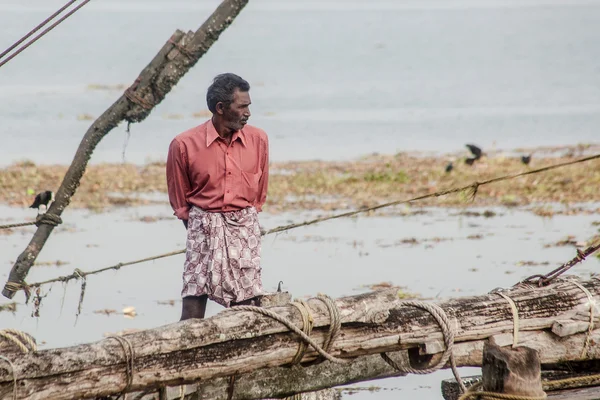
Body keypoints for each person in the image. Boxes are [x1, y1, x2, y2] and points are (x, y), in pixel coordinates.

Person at [166, 73, 269, 320]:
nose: (248, 113)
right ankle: (187, 352)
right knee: (194, 298)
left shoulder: (259, 140)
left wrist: (238, 228)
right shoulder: (183, 144)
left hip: (244, 227)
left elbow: (258, 196)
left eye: (249, 106)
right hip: (202, 227)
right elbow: (181, 204)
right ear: (221, 108)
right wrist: (205, 230)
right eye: (242, 106)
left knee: (247, 303)